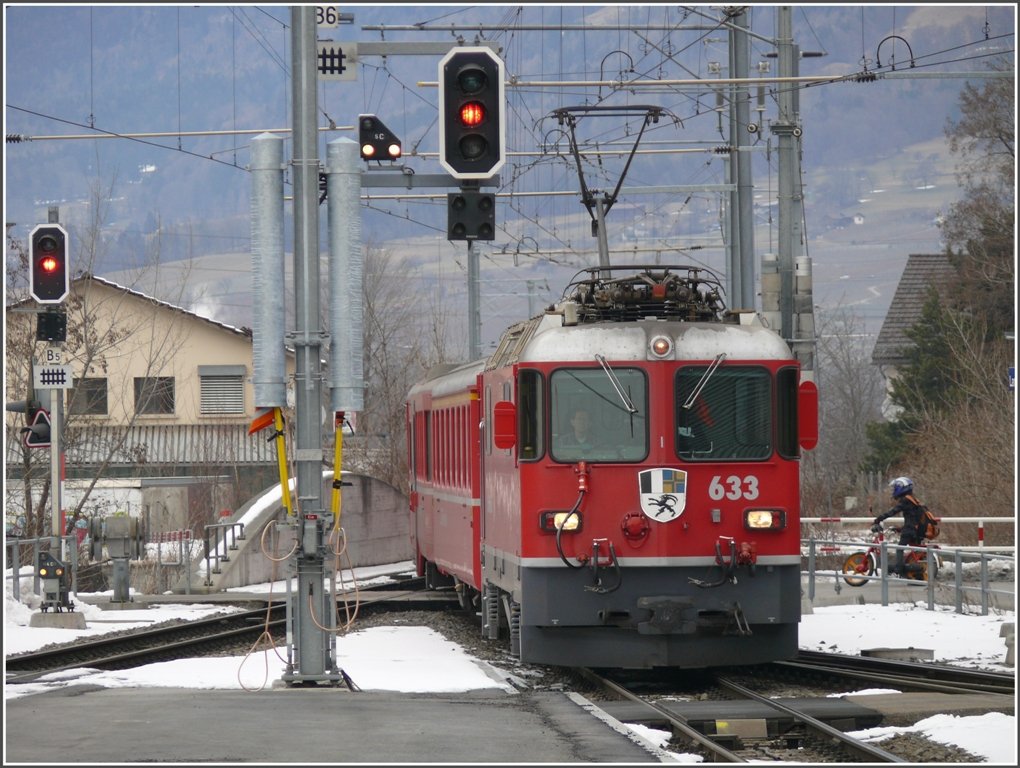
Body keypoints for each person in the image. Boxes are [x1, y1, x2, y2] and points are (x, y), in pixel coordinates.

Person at [871, 476, 925, 577]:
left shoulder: (905, 500)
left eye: (895, 488)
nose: (894, 490)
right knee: (902, 548)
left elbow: (893, 511)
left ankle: (898, 569)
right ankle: (902, 569)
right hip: (913, 528)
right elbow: (911, 517)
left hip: (909, 530)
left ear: (901, 487)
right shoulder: (912, 499)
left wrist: (880, 518)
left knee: (899, 549)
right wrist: (900, 528)